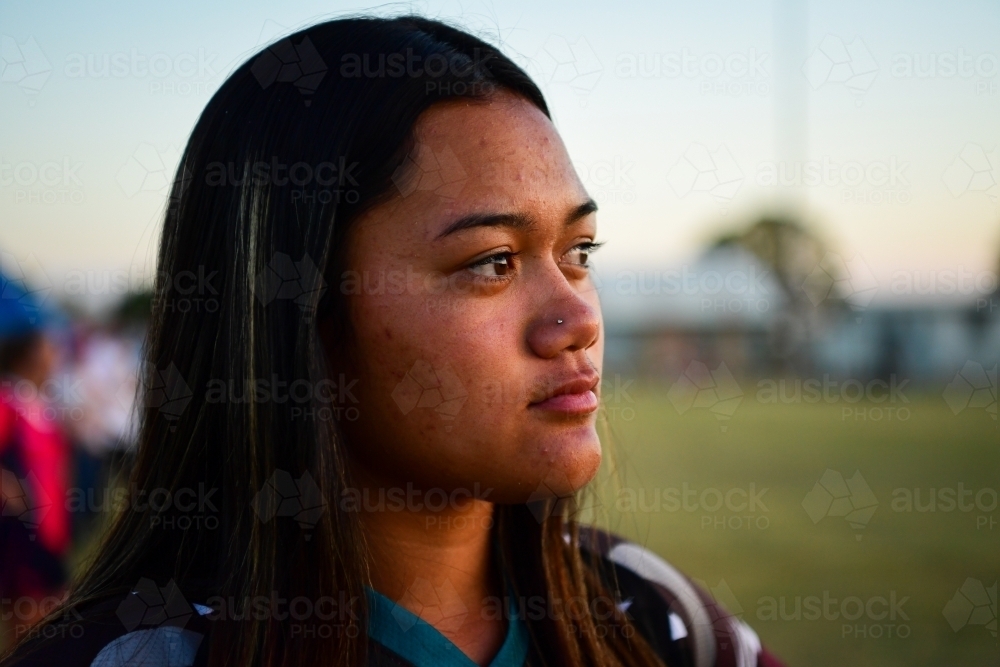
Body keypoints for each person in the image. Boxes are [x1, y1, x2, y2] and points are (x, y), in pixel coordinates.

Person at [1, 16, 783, 667]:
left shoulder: (653, 616)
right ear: (298, 308)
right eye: (493, 262)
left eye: (579, 253)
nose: (576, 319)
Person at [0, 277, 72, 640]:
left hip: (52, 532)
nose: (54, 353)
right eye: (48, 345)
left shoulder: (40, 403)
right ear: (29, 350)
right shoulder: (6, 401)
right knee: (30, 635)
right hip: (22, 536)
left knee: (56, 626)